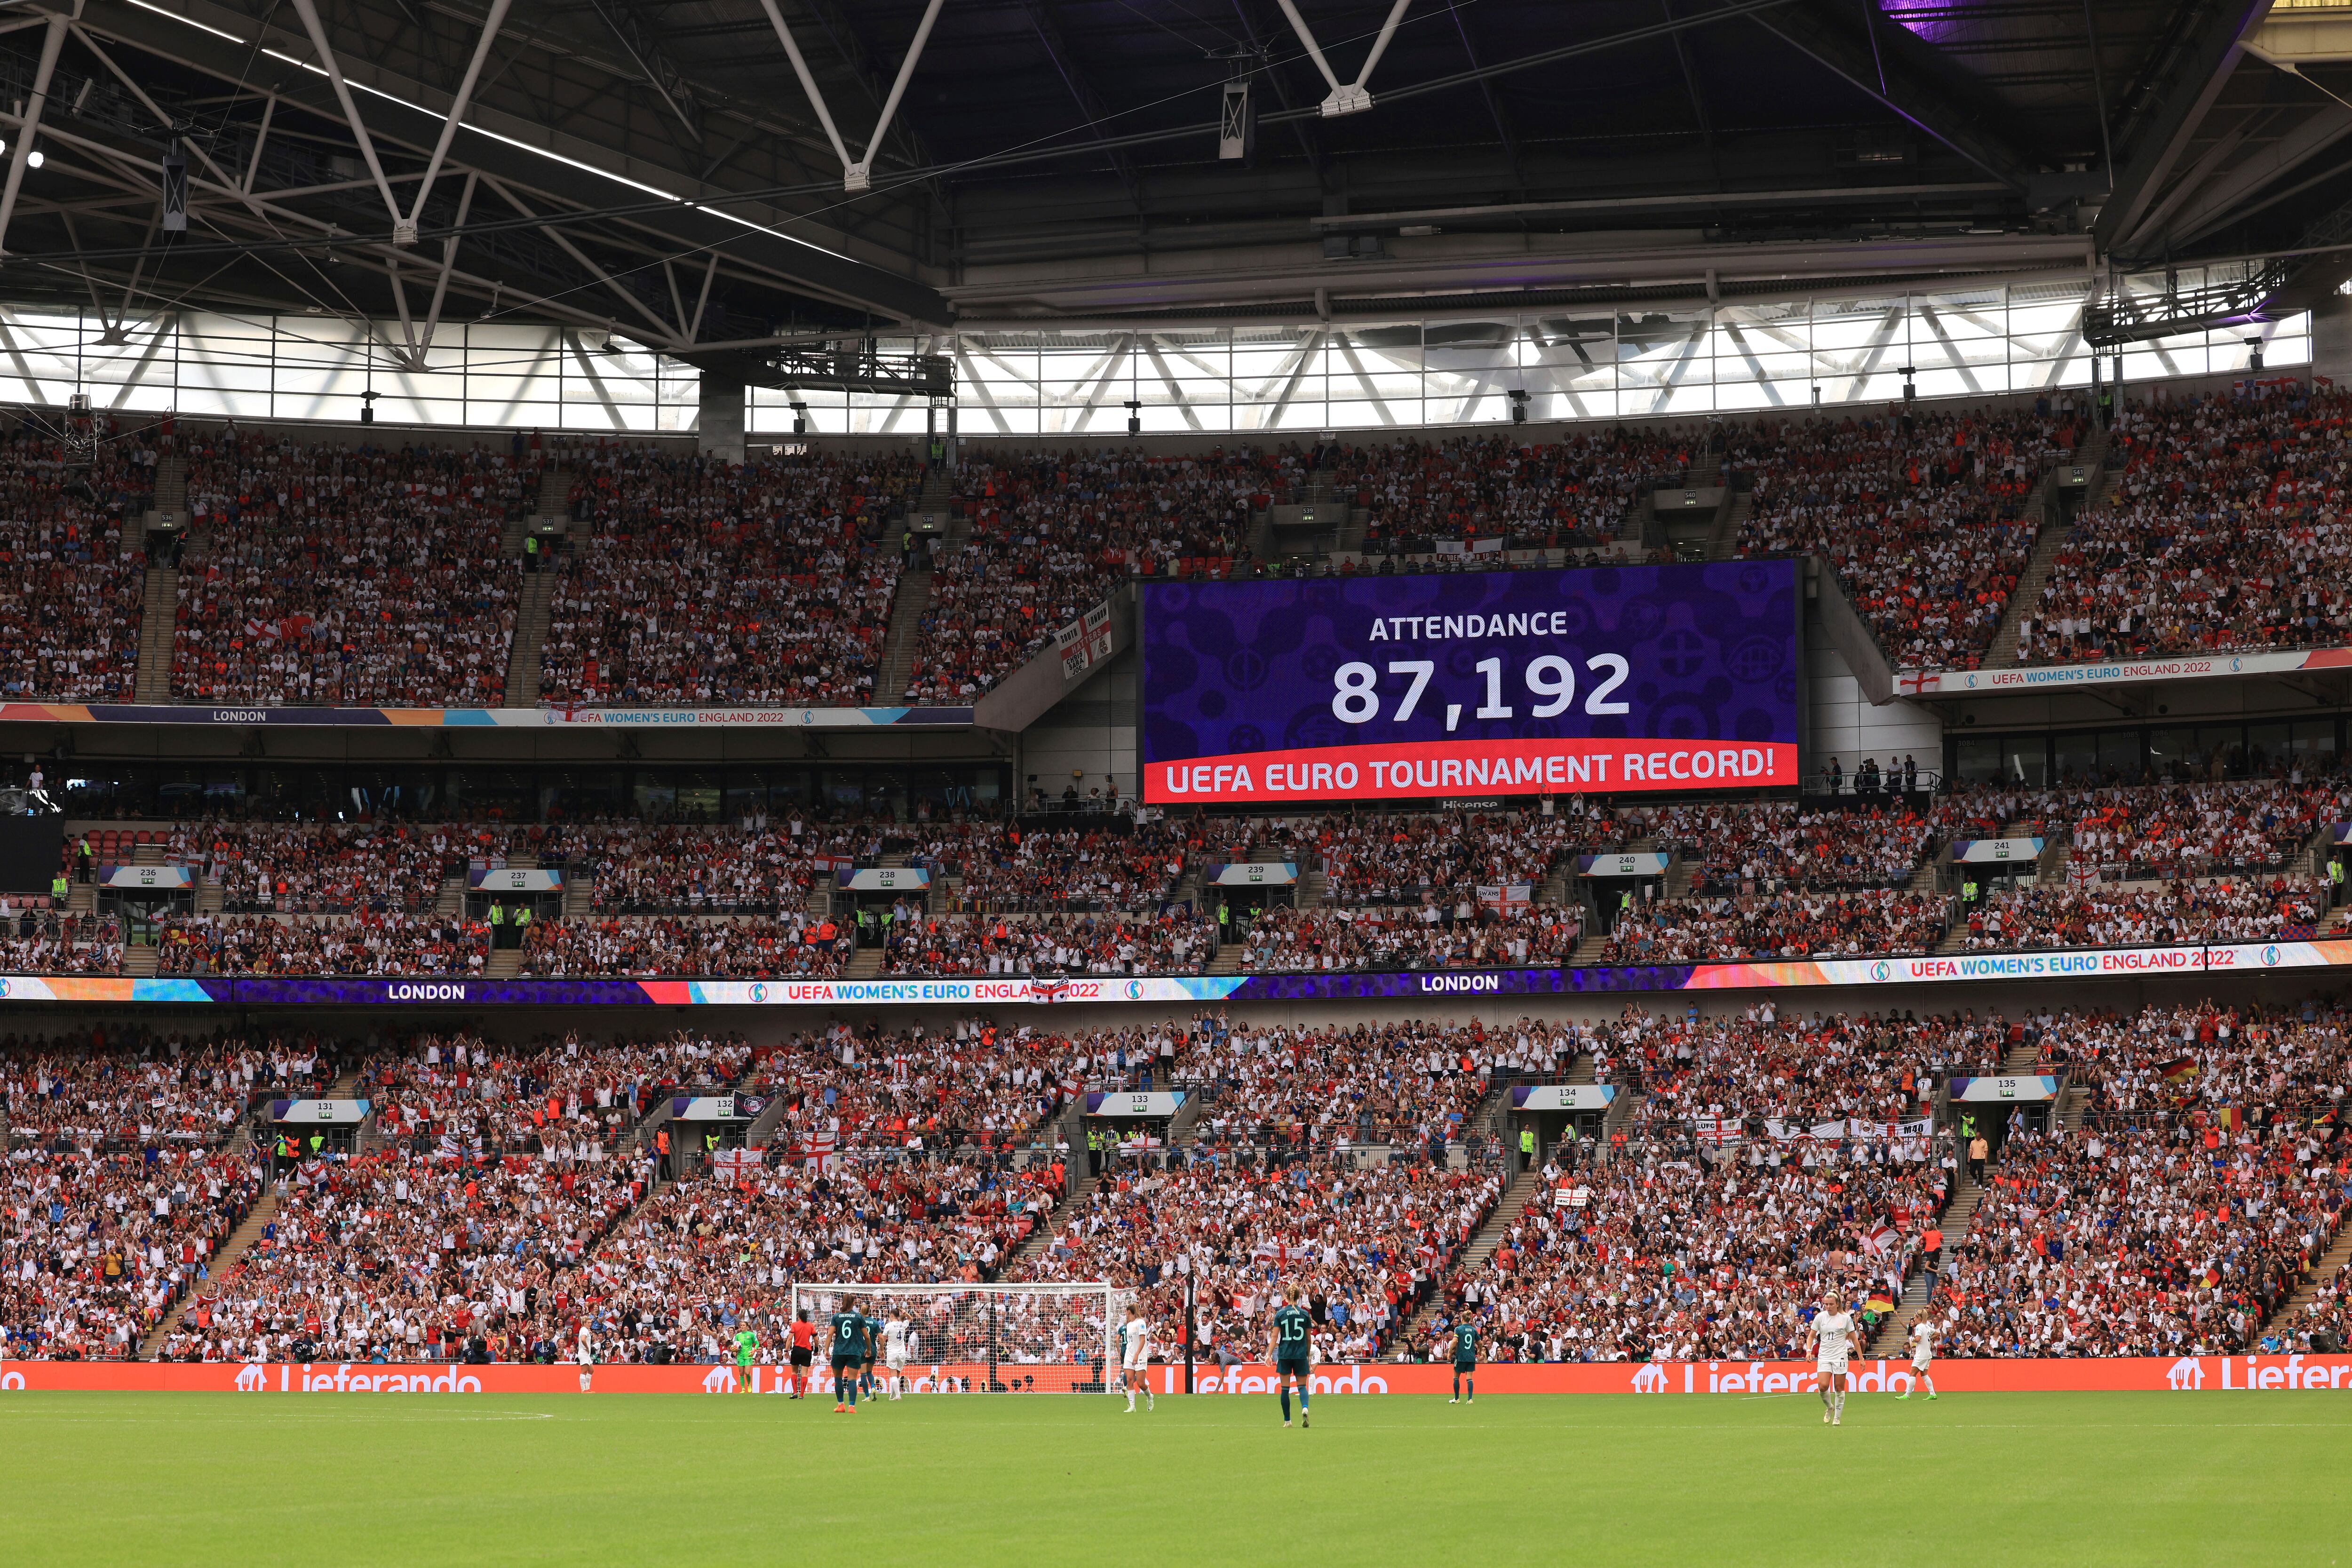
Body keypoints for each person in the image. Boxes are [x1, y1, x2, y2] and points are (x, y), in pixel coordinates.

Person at [1806, 1290, 1855, 1426]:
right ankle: (1830, 1407)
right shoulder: (1820, 1317)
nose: (1828, 1307)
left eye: (1831, 1304)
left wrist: (1861, 1358)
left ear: (1837, 1304)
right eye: (1826, 1304)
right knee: (1823, 1386)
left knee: (1839, 1388)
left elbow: (1854, 1339)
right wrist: (1809, 1351)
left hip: (1840, 1355)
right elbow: (1811, 1336)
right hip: (1824, 1356)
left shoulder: (1845, 1318)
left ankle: (1837, 1418)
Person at [1268, 1283, 1313, 1428]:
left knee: (1285, 1389)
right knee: (1302, 1387)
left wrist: (1269, 1355)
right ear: (1300, 1297)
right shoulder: (1305, 1314)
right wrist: (1307, 1355)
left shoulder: (1280, 1314)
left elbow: (1275, 1336)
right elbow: (1308, 1338)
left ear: (1286, 1297)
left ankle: (1287, 1421)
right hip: (1300, 1354)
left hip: (1285, 1354)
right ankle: (1305, 1407)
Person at [829, 1297, 869, 1413]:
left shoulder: (836, 1317)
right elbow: (867, 1336)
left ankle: (841, 1405)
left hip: (839, 1351)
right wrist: (868, 1349)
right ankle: (852, 1407)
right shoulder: (858, 1317)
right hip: (854, 1351)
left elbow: (830, 1334)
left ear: (843, 1303)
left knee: (838, 1378)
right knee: (852, 1379)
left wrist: (826, 1349)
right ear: (853, 1303)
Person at [1120, 1301, 1153, 1413]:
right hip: (1129, 1356)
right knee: (1129, 1380)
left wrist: (1137, 1354)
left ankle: (1150, 1397)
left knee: (1140, 1383)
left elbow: (1143, 1341)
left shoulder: (1141, 1323)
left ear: (1129, 1312)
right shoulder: (1128, 1325)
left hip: (1139, 1356)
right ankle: (1132, 1407)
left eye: (1127, 1313)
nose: (1126, 1315)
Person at [1899, 1317, 1939, 1401]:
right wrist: (1927, 1339)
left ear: (1919, 1318)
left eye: (1916, 1317)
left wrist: (1913, 1339)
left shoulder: (1919, 1327)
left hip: (1921, 1355)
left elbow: (1917, 1339)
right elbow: (1937, 1333)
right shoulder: (1926, 1326)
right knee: (1924, 1374)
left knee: (1912, 1374)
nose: (1915, 1319)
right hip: (1928, 1354)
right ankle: (1933, 1394)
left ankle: (1907, 1395)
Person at [1449, 1316, 1479, 1405]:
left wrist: (1450, 1352)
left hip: (1461, 1356)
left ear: (1462, 1319)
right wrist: (1480, 1350)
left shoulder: (1459, 1329)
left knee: (1456, 1377)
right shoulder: (1473, 1330)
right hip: (1471, 1357)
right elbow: (1480, 1342)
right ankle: (1470, 1400)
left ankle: (1457, 1398)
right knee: (1469, 1378)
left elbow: (1454, 1342)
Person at [788, 1310, 816, 1399]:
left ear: (799, 1316)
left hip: (797, 1350)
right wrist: (817, 1349)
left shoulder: (794, 1325)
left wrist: (786, 1350)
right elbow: (816, 1339)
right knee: (804, 1374)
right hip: (807, 1351)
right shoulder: (811, 1326)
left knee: (794, 1372)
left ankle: (795, 1392)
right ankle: (802, 1395)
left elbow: (790, 1339)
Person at [883, 1312, 911, 1401]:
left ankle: (898, 1396)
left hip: (892, 1352)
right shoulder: (902, 1324)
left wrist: (881, 1349)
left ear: (892, 1315)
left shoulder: (889, 1325)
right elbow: (910, 1319)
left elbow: (883, 1339)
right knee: (897, 1376)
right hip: (902, 1353)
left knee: (893, 1375)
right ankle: (892, 1395)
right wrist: (905, 1313)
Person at [733, 1323, 759, 1393]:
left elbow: (757, 1344)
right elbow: (735, 1346)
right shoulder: (738, 1336)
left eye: (744, 1325)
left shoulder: (751, 1335)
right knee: (741, 1373)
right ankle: (743, 1389)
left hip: (748, 1356)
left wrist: (754, 1350)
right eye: (741, 1325)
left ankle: (749, 1385)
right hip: (740, 1356)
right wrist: (734, 1349)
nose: (742, 1326)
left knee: (747, 1373)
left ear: (747, 1327)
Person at [575, 1319, 594, 1394]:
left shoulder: (583, 1330)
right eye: (588, 1323)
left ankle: (588, 1388)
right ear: (584, 1323)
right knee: (584, 1371)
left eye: (591, 1322)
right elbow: (583, 1340)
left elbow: (580, 1339)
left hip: (586, 1353)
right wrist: (587, 1347)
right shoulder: (585, 1330)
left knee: (591, 1370)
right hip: (584, 1353)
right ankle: (583, 1389)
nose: (590, 1324)